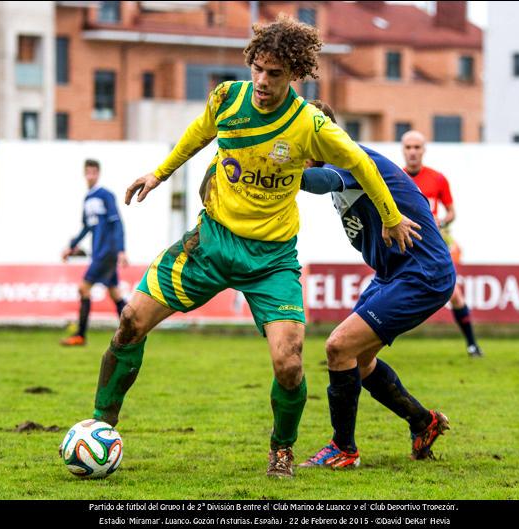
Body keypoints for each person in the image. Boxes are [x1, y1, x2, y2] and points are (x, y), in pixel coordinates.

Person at [88, 15, 421, 479]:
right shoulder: (227, 98)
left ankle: (281, 450)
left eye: (275, 74)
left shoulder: (310, 124)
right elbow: (198, 134)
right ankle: (101, 425)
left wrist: (390, 215)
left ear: (295, 75)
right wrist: (158, 173)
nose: (263, 81)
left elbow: (361, 163)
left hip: (271, 261)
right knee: (129, 320)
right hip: (210, 242)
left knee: (289, 364)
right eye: (258, 69)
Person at [297, 101, 453, 469]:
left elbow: (318, 183)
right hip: (394, 275)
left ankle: (343, 449)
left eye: (299, 140)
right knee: (359, 360)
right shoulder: (346, 164)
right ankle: (422, 421)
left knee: (338, 347)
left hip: (422, 273)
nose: (295, 148)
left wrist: (271, 168)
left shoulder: (349, 158)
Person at [401, 131, 484, 358]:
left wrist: (441, 221)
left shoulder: (437, 179)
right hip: (406, 243)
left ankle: (472, 344)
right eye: (408, 147)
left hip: (433, 244)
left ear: (424, 150)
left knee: (455, 294)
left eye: (417, 147)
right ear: (403, 150)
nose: (413, 152)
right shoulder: (396, 177)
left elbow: (452, 212)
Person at [61, 159, 128, 346]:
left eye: (93, 172)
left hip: (107, 251)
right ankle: (133, 331)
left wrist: (121, 250)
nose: (90, 175)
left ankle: (80, 335)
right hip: (99, 250)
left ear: (98, 174)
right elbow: (86, 227)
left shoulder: (105, 195)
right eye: (88, 172)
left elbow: (117, 223)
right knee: (115, 293)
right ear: (85, 174)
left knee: (83, 288)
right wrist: (71, 246)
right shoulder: (88, 198)